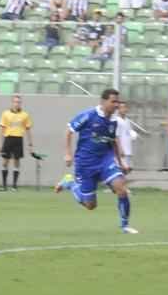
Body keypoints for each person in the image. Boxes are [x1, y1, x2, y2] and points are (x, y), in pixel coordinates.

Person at [53, 89, 136, 234]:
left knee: (121, 188)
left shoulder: (114, 121)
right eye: (113, 101)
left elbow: (113, 142)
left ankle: (125, 226)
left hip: (105, 160)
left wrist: (121, 162)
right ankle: (70, 183)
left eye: (117, 101)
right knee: (90, 205)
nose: (116, 105)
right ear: (103, 102)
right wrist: (67, 153)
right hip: (86, 163)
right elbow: (69, 131)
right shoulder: (88, 115)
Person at [0, 94, 33, 192]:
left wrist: (30, 144)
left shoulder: (25, 115)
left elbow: (28, 130)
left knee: (16, 162)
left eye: (19, 102)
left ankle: (14, 186)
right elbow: (1, 129)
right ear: (12, 103)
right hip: (8, 138)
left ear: (21, 103)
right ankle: (4, 186)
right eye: (15, 102)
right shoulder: (5, 114)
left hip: (18, 139)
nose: (17, 104)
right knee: (5, 162)